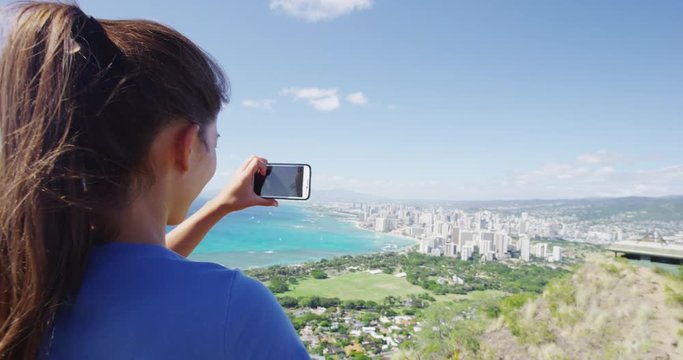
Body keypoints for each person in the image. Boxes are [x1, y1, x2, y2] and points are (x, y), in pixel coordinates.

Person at [0, 2, 310, 359]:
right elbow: (147, 277)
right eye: (214, 142)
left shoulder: (28, 282)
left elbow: (136, 272)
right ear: (186, 145)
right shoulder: (236, 309)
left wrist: (219, 207)